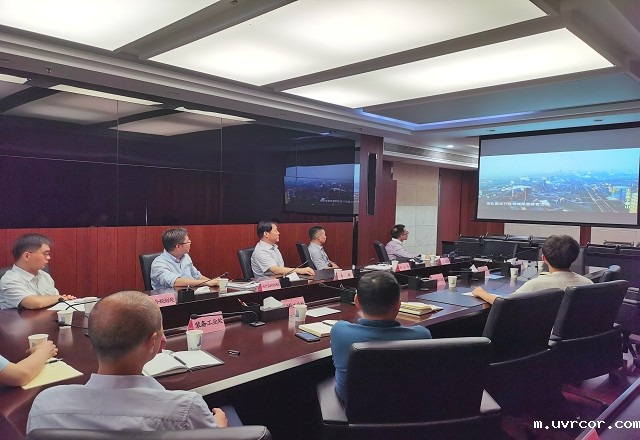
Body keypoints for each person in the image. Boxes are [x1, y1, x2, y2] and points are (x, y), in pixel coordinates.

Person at [27, 290, 228, 432]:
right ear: (155, 343)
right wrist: (219, 431)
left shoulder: (45, 405)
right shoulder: (186, 409)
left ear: (92, 338)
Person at [330, 271, 431, 404]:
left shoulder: (340, 331)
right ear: (398, 304)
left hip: (355, 409)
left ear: (356, 301)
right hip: (407, 408)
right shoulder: (422, 336)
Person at [472, 234, 593, 304]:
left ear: (543, 258)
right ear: (575, 257)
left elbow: (504, 303)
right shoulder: (588, 283)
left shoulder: (536, 284)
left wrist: (482, 293)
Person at [0, 233, 76, 310]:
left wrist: (65, 300)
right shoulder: (9, 280)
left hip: (47, 316)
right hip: (18, 318)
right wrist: (60, 298)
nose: (48, 257)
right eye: (45, 254)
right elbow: (34, 303)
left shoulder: (45, 276)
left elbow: (54, 299)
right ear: (27, 256)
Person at [150, 228, 220, 290]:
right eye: (188, 241)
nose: (190, 242)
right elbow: (175, 282)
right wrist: (207, 283)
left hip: (191, 295)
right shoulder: (158, 264)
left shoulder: (186, 257)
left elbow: (197, 276)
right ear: (178, 246)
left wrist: (214, 283)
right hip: (171, 298)